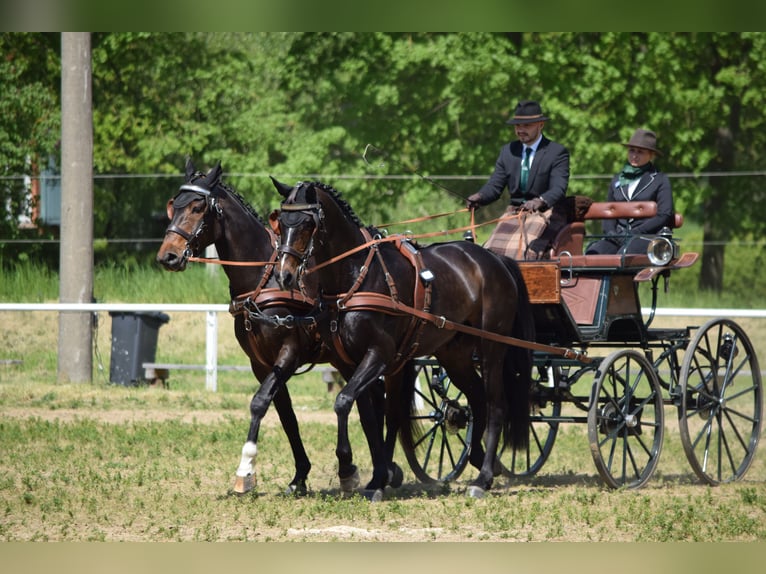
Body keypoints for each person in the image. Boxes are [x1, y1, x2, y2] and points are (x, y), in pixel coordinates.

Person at [466, 100, 570, 260]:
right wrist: (480, 197)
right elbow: (495, 186)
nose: (520, 130)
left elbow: (558, 188)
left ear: (540, 124)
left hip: (545, 213)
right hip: (514, 213)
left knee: (526, 253)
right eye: (517, 126)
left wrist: (540, 201)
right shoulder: (508, 151)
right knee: (490, 254)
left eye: (526, 126)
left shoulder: (556, 152)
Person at [586, 128, 674, 255]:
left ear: (651, 155)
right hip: (617, 237)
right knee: (595, 252)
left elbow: (664, 215)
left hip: (646, 237)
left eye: (640, 152)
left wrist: (635, 233)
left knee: (625, 254)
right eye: (632, 150)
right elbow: (608, 211)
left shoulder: (660, 180)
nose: (634, 155)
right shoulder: (617, 179)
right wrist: (611, 234)